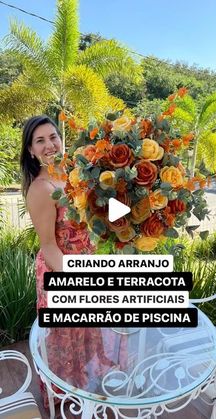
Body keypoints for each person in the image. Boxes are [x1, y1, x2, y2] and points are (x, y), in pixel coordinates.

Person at [20, 115, 126, 410]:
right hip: (61, 272)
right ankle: (65, 401)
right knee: (65, 342)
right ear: (30, 150)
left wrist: (131, 205)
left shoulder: (75, 174)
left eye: (52, 137)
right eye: (39, 141)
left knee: (87, 336)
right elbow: (49, 247)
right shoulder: (40, 190)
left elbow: (100, 215)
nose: (49, 145)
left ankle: (86, 389)